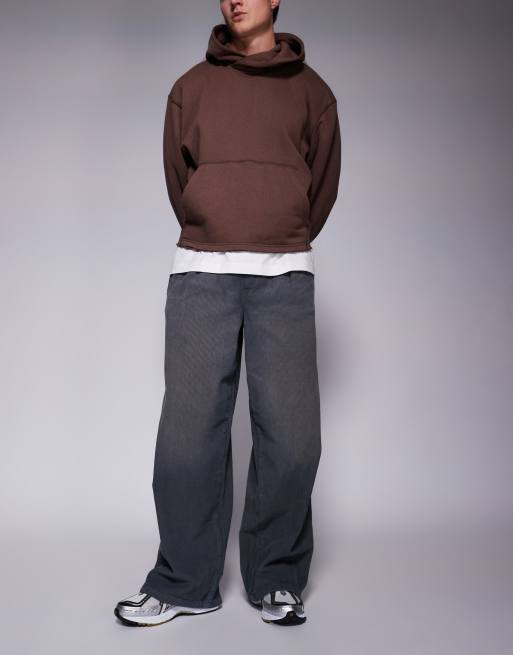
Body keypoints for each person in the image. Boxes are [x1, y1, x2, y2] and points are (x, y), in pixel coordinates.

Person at [114, 0, 341, 628]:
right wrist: (216, 223)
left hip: (283, 275)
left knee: (293, 438)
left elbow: (321, 188)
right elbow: (179, 182)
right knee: (187, 440)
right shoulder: (190, 88)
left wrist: (279, 231)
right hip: (202, 274)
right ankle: (185, 582)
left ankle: (277, 578)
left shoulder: (313, 94)